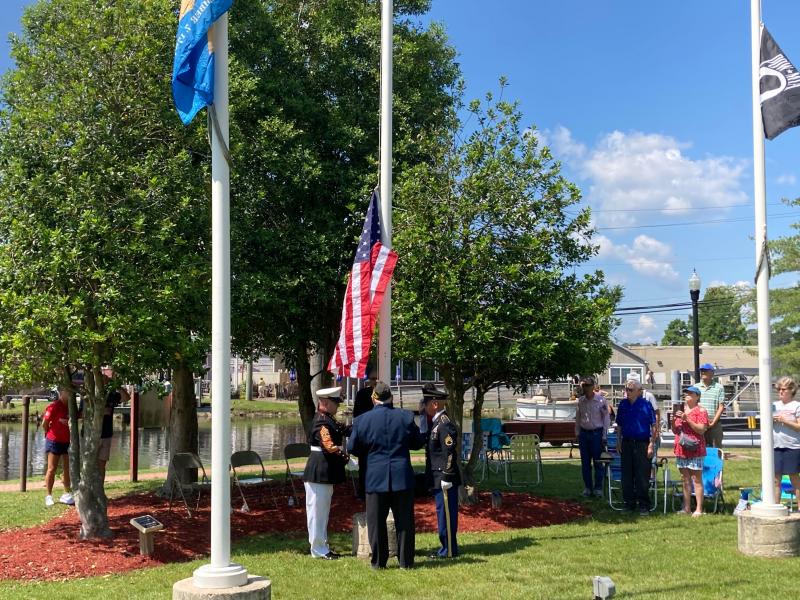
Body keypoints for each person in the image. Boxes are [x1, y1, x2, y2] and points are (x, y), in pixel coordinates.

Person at [347, 382, 425, 569]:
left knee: (376, 522)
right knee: (404, 521)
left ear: (373, 398)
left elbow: (352, 447)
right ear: (392, 398)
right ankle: (406, 562)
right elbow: (417, 442)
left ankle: (379, 562)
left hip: (375, 476)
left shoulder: (362, 420)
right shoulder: (405, 416)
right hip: (401, 475)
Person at [302, 386, 350, 560]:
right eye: (335, 403)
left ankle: (322, 546)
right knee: (317, 513)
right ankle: (318, 549)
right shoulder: (322, 422)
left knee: (322, 512)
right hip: (319, 472)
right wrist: (346, 459)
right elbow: (329, 446)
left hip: (324, 472)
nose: (338, 406)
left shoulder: (328, 419)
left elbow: (344, 430)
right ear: (326, 403)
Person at [421, 383, 460, 559]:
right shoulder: (436, 423)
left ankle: (449, 549)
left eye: (426, 403)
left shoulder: (444, 424)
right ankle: (445, 547)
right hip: (437, 476)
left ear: (435, 404)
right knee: (442, 513)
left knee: (446, 514)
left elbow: (450, 451)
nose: (424, 407)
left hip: (444, 477)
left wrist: (447, 475)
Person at [615, 378, 657, 514]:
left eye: (630, 389)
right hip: (626, 442)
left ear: (639, 391)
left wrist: (651, 444)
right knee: (626, 475)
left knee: (642, 475)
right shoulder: (623, 404)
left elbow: (654, 425)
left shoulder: (646, 405)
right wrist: (618, 441)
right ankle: (629, 504)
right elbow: (619, 425)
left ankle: (644, 505)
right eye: (626, 389)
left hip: (642, 443)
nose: (627, 391)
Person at [672, 386, 709, 516]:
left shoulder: (701, 411)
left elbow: (701, 430)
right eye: (686, 393)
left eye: (690, 393)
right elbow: (675, 430)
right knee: (685, 479)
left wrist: (687, 419)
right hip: (681, 448)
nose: (687, 395)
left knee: (696, 479)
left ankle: (698, 509)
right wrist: (673, 421)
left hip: (695, 448)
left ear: (697, 396)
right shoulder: (681, 409)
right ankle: (686, 508)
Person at [575, 376, 611, 498]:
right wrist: (577, 433)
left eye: (588, 385)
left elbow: (606, 418)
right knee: (585, 463)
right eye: (583, 385)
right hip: (584, 434)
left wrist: (604, 435)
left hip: (597, 434)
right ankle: (588, 488)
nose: (585, 388)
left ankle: (598, 488)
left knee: (598, 462)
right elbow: (578, 418)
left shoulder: (601, 400)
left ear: (593, 386)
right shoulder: (581, 401)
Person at [42, 386, 74, 507]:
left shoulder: (71, 407)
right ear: (62, 393)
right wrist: (48, 434)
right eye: (68, 391)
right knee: (52, 468)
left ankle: (66, 494)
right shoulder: (54, 406)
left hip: (67, 441)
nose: (70, 394)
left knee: (67, 468)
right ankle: (48, 496)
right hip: (54, 441)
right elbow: (44, 424)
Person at [772, 376, 800, 503]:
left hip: (792, 446)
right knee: (776, 479)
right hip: (775, 446)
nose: (780, 392)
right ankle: (775, 506)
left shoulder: (797, 406)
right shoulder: (773, 405)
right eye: (779, 389)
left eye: (783, 389)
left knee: (794, 478)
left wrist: (785, 421)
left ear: (791, 390)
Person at [352, 372, 378, 500]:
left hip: (379, 434)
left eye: (377, 378)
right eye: (373, 378)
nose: (375, 381)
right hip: (365, 434)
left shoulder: (384, 394)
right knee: (363, 464)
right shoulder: (362, 394)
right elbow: (356, 415)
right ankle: (363, 492)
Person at [99, 387, 129, 482]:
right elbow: (81, 414)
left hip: (106, 434)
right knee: (90, 463)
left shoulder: (111, 394)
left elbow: (126, 398)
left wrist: (118, 386)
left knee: (102, 465)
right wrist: (101, 412)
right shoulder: (90, 393)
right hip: (92, 435)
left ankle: (100, 487)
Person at [627, 372, 661, 456]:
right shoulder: (628, 397)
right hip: (636, 435)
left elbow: (657, 413)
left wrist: (656, 430)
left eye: (631, 389)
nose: (628, 391)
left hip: (650, 433)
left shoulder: (649, 396)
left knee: (651, 458)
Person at [697, 363, 725, 448]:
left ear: (712, 373)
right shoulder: (696, 387)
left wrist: (713, 422)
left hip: (715, 423)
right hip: (699, 423)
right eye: (702, 371)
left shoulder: (719, 387)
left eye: (705, 370)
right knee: (698, 448)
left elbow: (721, 406)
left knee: (716, 448)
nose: (703, 372)